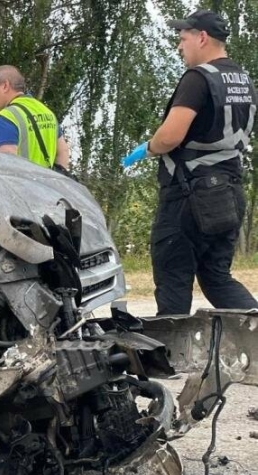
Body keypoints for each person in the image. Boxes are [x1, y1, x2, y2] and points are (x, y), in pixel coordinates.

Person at [121, 10, 257, 315]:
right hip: (229, 192)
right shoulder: (243, 80)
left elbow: (170, 136)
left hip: (189, 196)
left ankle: (169, 357)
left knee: (173, 280)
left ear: (202, 38)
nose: (180, 47)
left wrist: (149, 147)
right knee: (217, 277)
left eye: (183, 39)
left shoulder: (198, 78)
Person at [0, 65, 70, 170]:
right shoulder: (46, 111)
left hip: (20, 186)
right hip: (47, 185)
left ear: (5, 86)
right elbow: (63, 151)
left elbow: (8, 165)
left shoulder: (7, 118)